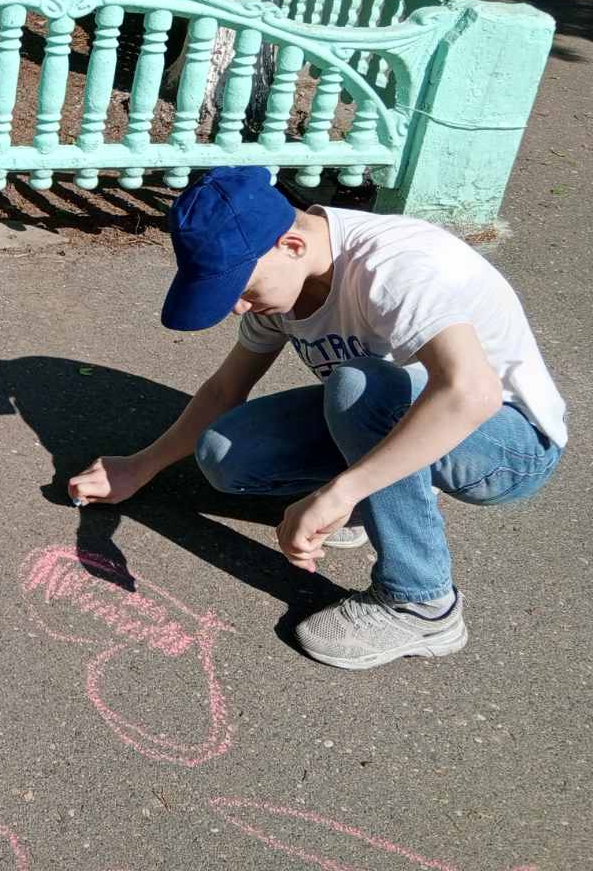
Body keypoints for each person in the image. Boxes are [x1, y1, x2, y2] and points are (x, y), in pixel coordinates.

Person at [68, 166, 566, 670]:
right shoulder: (285, 284)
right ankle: (380, 500)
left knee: (359, 386)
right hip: (402, 414)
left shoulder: (395, 268)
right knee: (225, 454)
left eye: (242, 287)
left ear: (291, 245)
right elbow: (224, 390)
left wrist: (341, 492)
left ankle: (422, 603)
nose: (237, 307)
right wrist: (139, 467)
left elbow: (471, 393)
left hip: (510, 444)